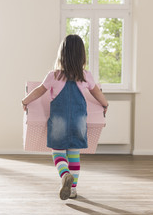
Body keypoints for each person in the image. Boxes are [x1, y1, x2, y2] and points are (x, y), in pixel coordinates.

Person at [21, 34, 108, 200]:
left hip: (58, 121)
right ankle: (73, 189)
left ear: (62, 54)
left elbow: (39, 91)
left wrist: (25, 101)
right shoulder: (85, 76)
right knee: (74, 154)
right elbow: (97, 93)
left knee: (58, 152)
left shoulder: (53, 76)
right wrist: (105, 104)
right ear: (81, 55)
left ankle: (64, 175)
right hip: (79, 121)